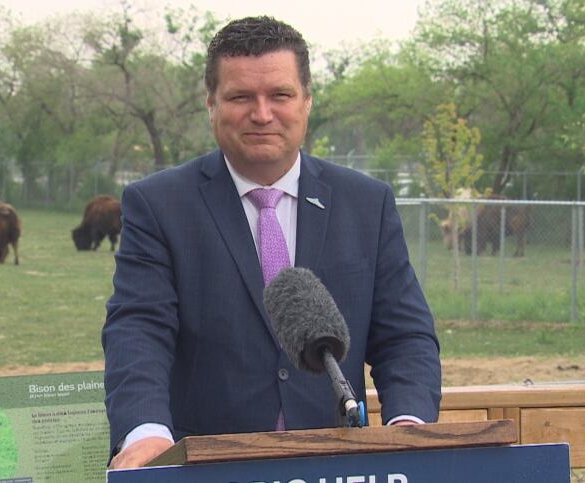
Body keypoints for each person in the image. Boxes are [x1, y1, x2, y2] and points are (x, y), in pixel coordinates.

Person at [102, 15, 442, 469]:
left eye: (279, 95)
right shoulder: (157, 205)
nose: (261, 114)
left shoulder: (367, 203)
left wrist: (409, 424)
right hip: (205, 466)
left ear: (306, 102)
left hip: (335, 463)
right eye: (240, 96)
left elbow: (405, 336)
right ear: (211, 104)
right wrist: (145, 433)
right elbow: (139, 329)